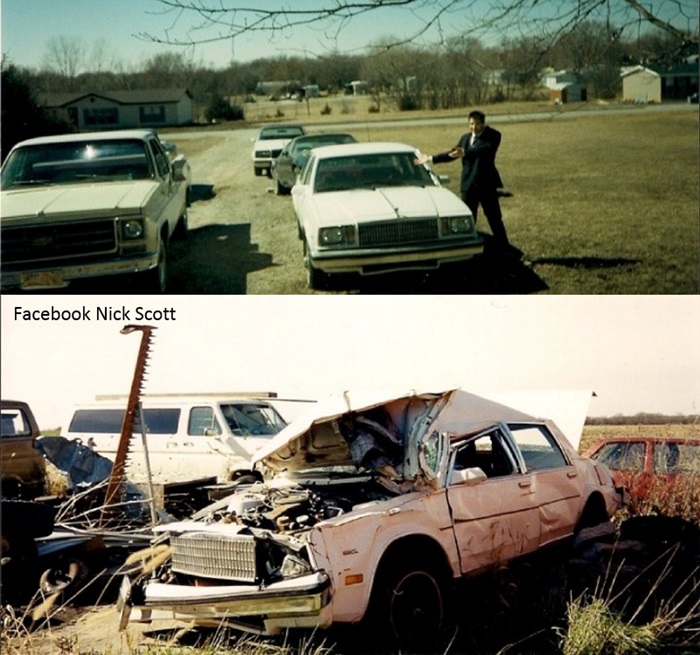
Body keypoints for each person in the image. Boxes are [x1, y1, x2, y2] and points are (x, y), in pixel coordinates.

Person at [417, 110, 520, 258]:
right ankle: (468, 251)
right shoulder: (465, 138)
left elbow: (483, 150)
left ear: (483, 124)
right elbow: (452, 154)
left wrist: (465, 152)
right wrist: (431, 158)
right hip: (469, 186)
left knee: (494, 218)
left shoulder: (492, 136)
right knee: (467, 219)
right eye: (471, 124)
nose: (474, 127)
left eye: (477, 124)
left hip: (487, 186)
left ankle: (505, 249)